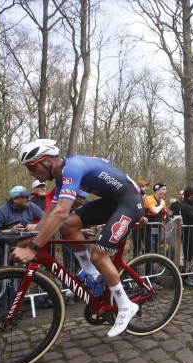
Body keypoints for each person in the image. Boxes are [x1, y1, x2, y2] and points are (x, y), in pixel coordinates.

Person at [11, 139, 142, 338]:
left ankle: (125, 306)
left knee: (100, 256)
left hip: (130, 203)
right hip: (111, 202)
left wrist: (33, 249)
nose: (31, 173)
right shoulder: (61, 177)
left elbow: (62, 211)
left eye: (31, 166)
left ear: (47, 161)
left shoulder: (72, 167)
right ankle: (90, 272)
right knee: (69, 225)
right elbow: (51, 213)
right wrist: (28, 238)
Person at [0, 185, 46, 312]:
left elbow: (47, 219)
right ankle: (1, 309)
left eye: (28, 196)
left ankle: (14, 308)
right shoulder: (1, 211)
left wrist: (36, 225)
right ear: (15, 199)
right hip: (1, 249)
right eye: (25, 197)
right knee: (1, 278)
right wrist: (10, 231)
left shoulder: (32, 207)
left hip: (21, 247)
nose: (29, 198)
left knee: (18, 277)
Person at [143, 182, 168, 256]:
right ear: (157, 190)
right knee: (150, 252)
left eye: (166, 189)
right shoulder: (149, 198)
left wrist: (168, 217)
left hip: (158, 230)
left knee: (157, 253)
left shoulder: (162, 202)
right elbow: (155, 211)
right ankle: (149, 268)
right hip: (148, 230)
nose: (165, 191)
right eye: (163, 189)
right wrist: (162, 204)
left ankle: (153, 267)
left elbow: (163, 216)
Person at [129, 180, 150, 257]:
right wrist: (141, 219)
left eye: (146, 186)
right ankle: (134, 268)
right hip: (135, 227)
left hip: (143, 227)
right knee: (136, 250)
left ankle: (146, 268)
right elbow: (133, 211)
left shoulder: (143, 198)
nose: (146, 188)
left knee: (146, 249)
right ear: (138, 188)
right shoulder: (135, 197)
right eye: (143, 186)